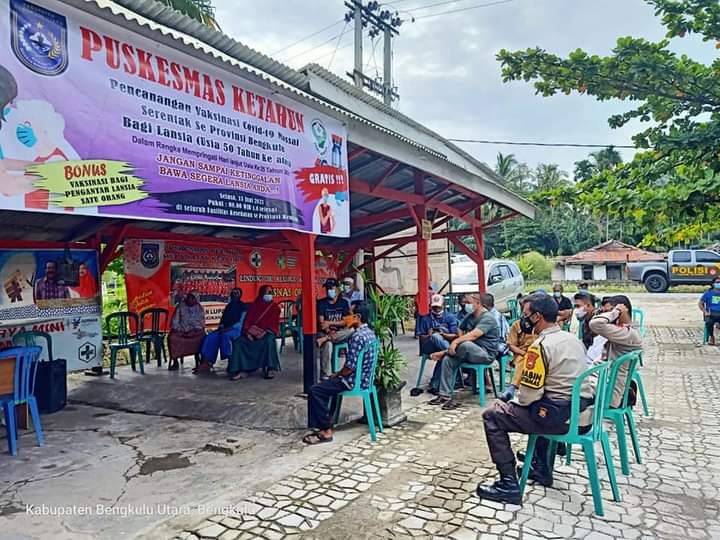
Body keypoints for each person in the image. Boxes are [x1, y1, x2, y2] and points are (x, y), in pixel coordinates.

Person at [476, 293, 595, 504]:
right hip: (582, 414)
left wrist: (509, 402)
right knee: (542, 405)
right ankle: (541, 467)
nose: (523, 319)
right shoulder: (571, 339)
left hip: (559, 419)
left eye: (526, 315)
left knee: (493, 415)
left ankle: (508, 484)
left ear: (537, 317)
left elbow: (528, 397)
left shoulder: (539, 347)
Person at [303, 304, 377, 445]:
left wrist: (336, 375)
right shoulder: (370, 333)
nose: (346, 318)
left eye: (349, 314)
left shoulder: (357, 337)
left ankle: (325, 431)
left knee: (315, 390)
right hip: (365, 378)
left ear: (357, 317)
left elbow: (349, 368)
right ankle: (327, 420)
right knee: (326, 387)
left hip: (352, 381)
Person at [428, 293, 499, 410]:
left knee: (465, 344)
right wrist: (459, 339)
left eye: (469, 303)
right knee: (448, 360)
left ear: (478, 304)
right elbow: (460, 328)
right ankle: (444, 395)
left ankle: (444, 352)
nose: (466, 305)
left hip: (485, 354)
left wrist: (456, 343)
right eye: (465, 303)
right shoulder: (470, 316)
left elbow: (474, 335)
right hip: (468, 351)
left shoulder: (488, 318)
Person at [589, 295, 643, 408]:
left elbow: (595, 324)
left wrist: (616, 311)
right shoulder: (628, 330)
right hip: (604, 382)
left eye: (610, 312)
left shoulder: (627, 333)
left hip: (609, 391)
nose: (607, 316)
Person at [228, 285, 281, 380]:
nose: (270, 295)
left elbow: (274, 324)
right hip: (252, 333)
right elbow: (247, 321)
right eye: (268, 292)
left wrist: (263, 333)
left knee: (269, 341)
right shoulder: (254, 306)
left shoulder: (275, 308)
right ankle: (243, 369)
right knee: (239, 342)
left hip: (266, 333)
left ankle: (270, 368)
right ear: (262, 293)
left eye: (271, 293)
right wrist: (248, 333)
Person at [413, 294, 459, 395]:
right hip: (429, 346)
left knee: (444, 356)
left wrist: (444, 334)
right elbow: (421, 337)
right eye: (434, 307)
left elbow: (455, 335)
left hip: (443, 344)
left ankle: (434, 385)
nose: (437, 309)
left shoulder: (450, 317)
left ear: (443, 305)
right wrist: (429, 335)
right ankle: (451, 352)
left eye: (438, 306)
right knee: (435, 337)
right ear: (431, 306)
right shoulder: (425, 318)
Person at [195, 288, 248, 373]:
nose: (234, 295)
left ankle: (231, 361)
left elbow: (241, 323)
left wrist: (229, 328)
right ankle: (207, 362)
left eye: (236, 293)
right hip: (224, 329)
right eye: (233, 293)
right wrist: (222, 327)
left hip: (236, 330)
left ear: (240, 295)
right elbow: (223, 320)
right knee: (210, 337)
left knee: (225, 336)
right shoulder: (229, 306)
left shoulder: (243, 307)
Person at [499, 296, 538, 402]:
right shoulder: (517, 325)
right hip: (521, 354)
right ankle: (512, 388)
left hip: (538, 353)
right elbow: (511, 345)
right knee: (525, 359)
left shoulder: (540, 325)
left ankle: (513, 388)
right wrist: (524, 353)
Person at [316, 278, 353, 380]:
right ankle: (325, 375)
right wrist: (328, 331)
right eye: (327, 288)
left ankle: (327, 338)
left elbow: (346, 321)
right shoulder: (321, 303)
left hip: (340, 333)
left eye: (331, 288)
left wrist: (330, 322)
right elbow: (322, 323)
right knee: (327, 345)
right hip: (325, 333)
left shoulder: (343, 303)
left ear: (337, 289)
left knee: (351, 330)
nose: (329, 290)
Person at [167, 291, 206, 371]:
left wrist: (193, 330)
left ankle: (201, 361)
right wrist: (182, 330)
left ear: (196, 300)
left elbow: (201, 323)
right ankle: (175, 361)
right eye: (188, 297)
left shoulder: (199, 308)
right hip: (182, 332)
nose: (189, 299)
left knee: (203, 336)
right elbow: (175, 322)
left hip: (195, 332)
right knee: (172, 338)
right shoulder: (180, 306)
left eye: (192, 298)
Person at [699, 276, 720, 345]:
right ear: (713, 284)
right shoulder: (708, 293)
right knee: (709, 322)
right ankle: (711, 336)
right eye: (717, 282)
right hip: (710, 313)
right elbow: (700, 303)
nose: (719, 284)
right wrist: (705, 311)